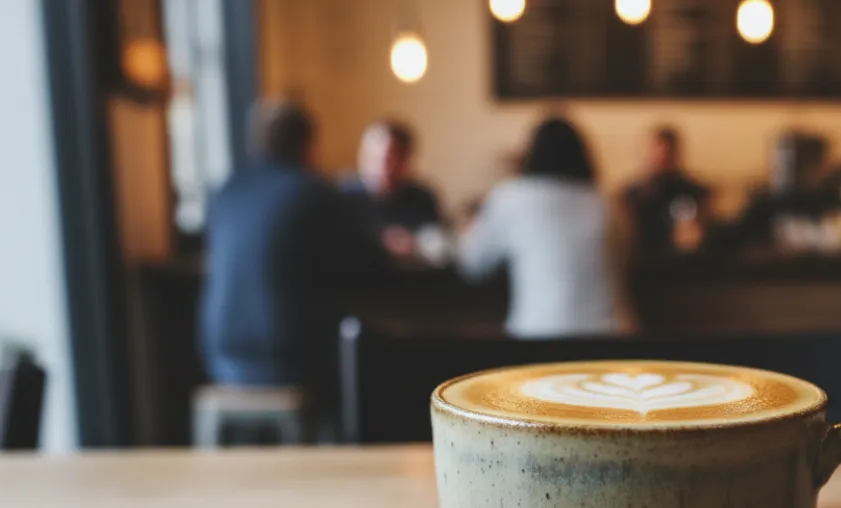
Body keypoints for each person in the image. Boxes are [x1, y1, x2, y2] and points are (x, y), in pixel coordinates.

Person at [199, 101, 370, 404]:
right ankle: (341, 446)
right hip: (288, 357)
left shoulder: (226, 190)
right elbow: (366, 260)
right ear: (308, 145)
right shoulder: (314, 192)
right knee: (360, 353)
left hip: (219, 352)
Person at [457, 117, 632, 339]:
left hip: (537, 340)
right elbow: (624, 257)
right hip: (613, 339)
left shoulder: (511, 196)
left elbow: (472, 263)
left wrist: (469, 227)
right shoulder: (606, 200)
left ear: (530, 153)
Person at [340, 120, 447, 261]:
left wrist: (416, 242)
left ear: (406, 159)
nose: (380, 167)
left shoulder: (423, 197)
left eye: (389, 159)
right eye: (372, 157)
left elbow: (441, 246)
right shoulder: (342, 197)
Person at [622, 126, 711, 254]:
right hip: (641, 260)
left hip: (683, 260)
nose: (660, 159)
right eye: (656, 153)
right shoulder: (630, 195)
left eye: (666, 154)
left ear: (676, 154)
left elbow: (698, 232)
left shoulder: (696, 192)